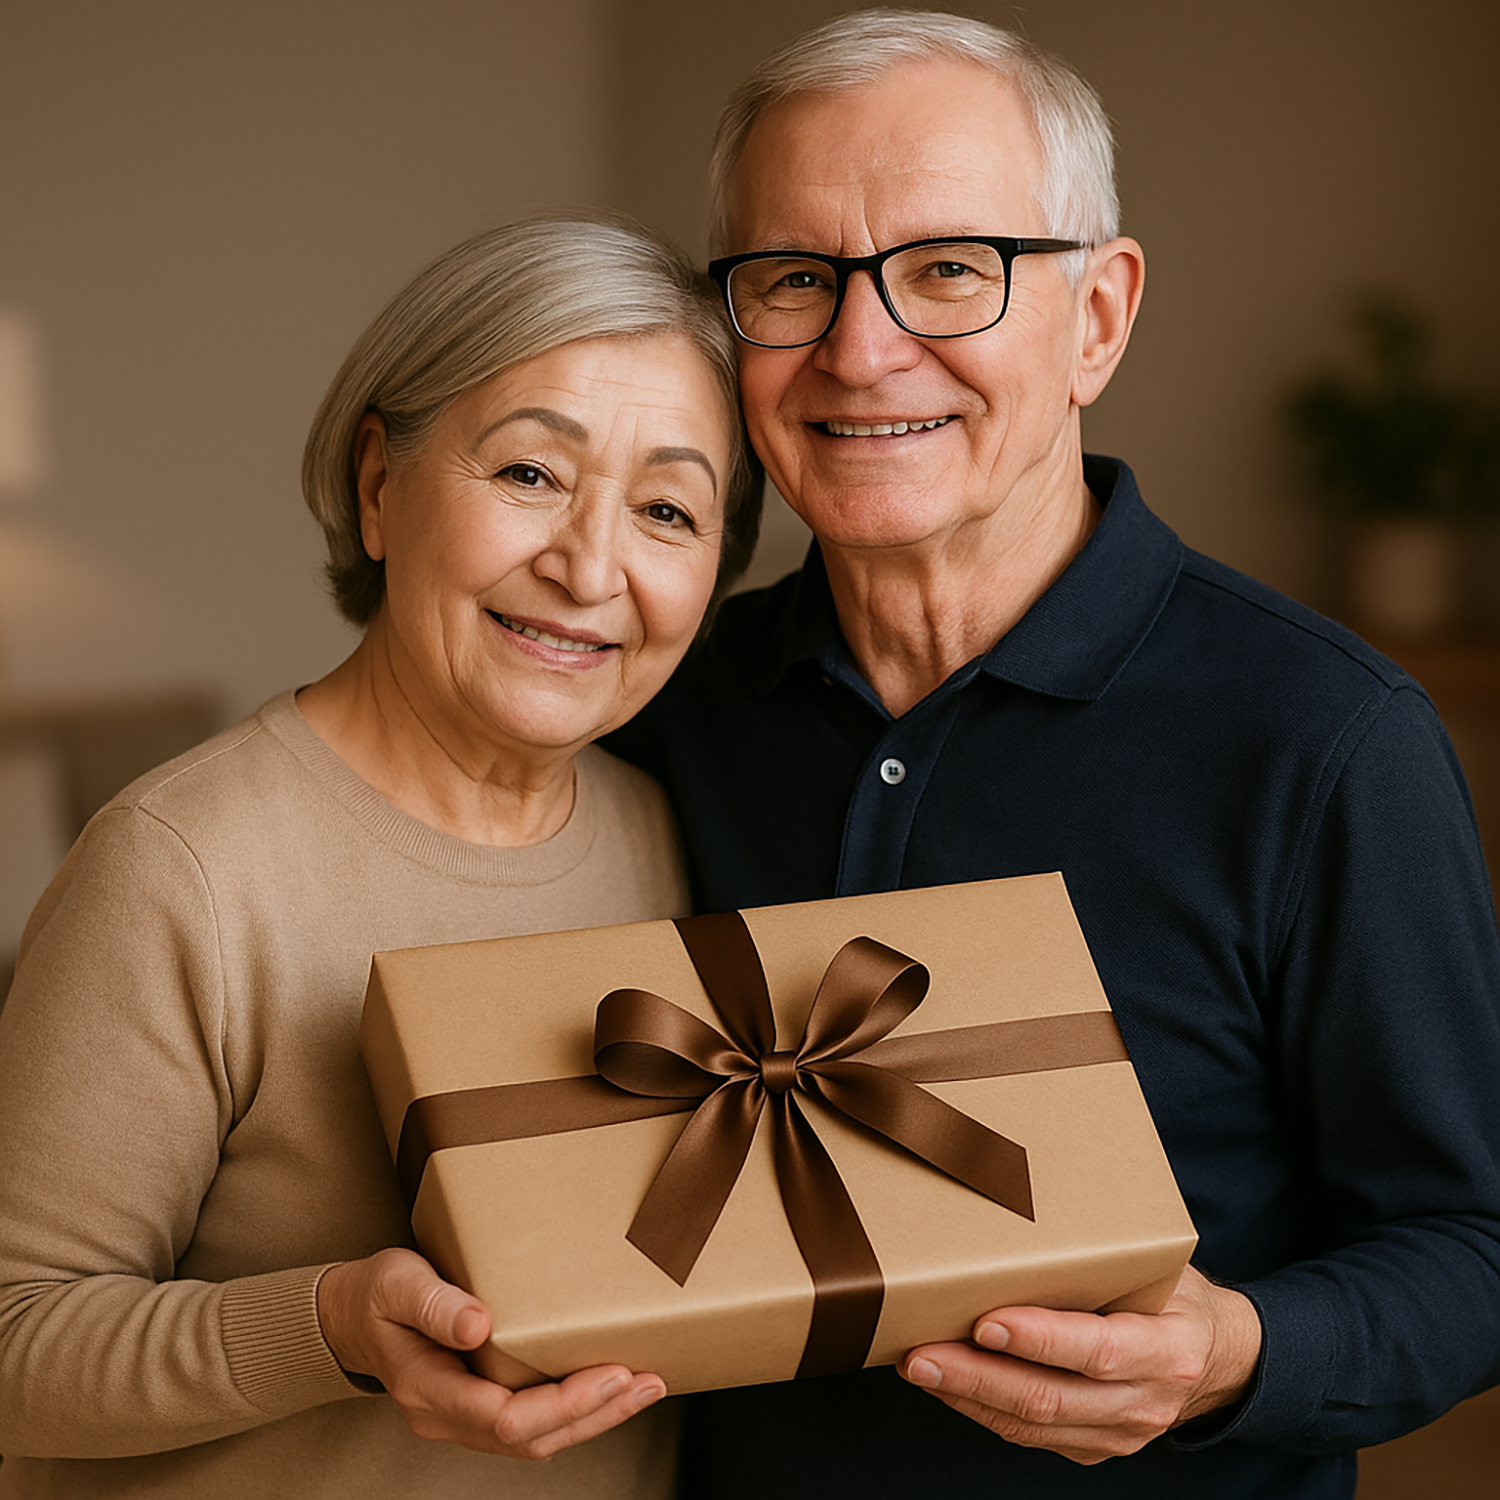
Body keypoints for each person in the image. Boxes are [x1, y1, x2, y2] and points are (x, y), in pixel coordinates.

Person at [607, 11, 1500, 1499]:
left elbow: (1475, 1246)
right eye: (792, 278)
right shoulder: (662, 710)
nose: (860, 348)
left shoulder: (1326, 739)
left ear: (1097, 317)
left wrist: (1237, 1353)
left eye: (951, 269)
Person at [0, 211, 761, 1499]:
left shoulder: (671, 835)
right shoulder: (184, 867)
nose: (589, 566)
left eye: (668, 511)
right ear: (377, 486)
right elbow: (17, 1340)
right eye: (529, 474)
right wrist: (333, 1326)